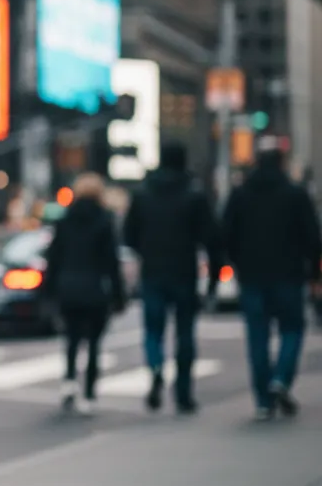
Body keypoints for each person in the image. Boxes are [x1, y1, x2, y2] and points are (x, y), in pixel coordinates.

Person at [222, 149, 322, 420]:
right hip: (289, 275)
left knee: (258, 337)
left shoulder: (240, 195)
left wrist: (239, 263)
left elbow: (226, 234)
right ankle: (281, 378)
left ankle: (263, 400)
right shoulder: (295, 195)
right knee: (292, 329)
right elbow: (313, 239)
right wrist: (313, 275)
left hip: (252, 277)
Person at [123, 142, 222, 414]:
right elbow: (211, 240)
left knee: (153, 332)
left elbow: (128, 235)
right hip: (184, 273)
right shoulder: (194, 195)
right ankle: (183, 393)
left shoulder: (143, 194)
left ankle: (155, 368)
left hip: (153, 271)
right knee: (185, 334)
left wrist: (146, 248)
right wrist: (213, 280)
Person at [42, 173, 126, 416]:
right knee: (94, 345)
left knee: (71, 338)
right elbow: (112, 262)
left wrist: (49, 291)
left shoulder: (64, 220)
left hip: (67, 287)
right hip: (94, 289)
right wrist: (118, 295)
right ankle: (89, 393)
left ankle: (69, 380)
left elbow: (53, 258)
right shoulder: (104, 221)